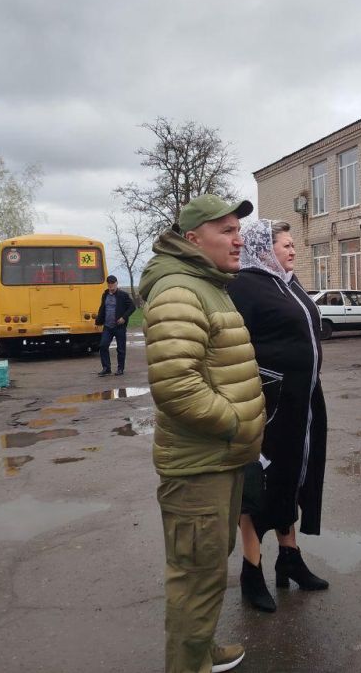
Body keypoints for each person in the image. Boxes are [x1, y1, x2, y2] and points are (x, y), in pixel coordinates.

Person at [137, 194, 264, 673]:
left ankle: (201, 650)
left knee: (210, 566)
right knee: (195, 576)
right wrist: (235, 422)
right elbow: (175, 384)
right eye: (226, 230)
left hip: (221, 459)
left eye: (239, 229)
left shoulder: (207, 283)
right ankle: (187, 665)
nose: (239, 239)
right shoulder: (179, 290)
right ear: (193, 239)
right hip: (200, 463)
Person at [228, 220, 329, 613]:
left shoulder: (287, 282)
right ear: (263, 247)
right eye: (286, 244)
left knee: (295, 476)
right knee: (260, 483)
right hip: (269, 404)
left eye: (293, 245)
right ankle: (251, 572)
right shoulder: (245, 286)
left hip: (303, 401)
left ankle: (289, 558)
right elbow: (232, 348)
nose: (293, 250)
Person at [94, 275, 135, 377]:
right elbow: (102, 308)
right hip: (107, 326)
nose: (111, 285)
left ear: (116, 284)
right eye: (109, 284)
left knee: (120, 349)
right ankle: (106, 368)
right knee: (103, 346)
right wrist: (98, 322)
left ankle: (120, 368)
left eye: (113, 283)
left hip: (119, 326)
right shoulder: (105, 295)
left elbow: (132, 307)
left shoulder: (123, 295)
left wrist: (124, 318)